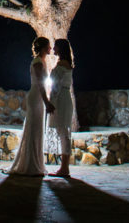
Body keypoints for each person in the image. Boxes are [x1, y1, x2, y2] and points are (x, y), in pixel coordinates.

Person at [8, 36, 55, 175]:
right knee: (34, 129)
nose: (50, 48)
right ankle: (30, 164)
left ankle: (35, 163)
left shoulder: (42, 61)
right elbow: (40, 83)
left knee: (37, 130)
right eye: (48, 46)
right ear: (43, 47)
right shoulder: (37, 62)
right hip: (36, 98)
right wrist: (46, 102)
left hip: (39, 97)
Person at [46, 38, 76, 177]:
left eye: (55, 46)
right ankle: (64, 167)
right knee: (63, 132)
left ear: (61, 48)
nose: (53, 49)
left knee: (63, 132)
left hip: (61, 99)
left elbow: (55, 85)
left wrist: (51, 102)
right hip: (65, 97)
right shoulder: (67, 63)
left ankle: (64, 168)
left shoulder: (62, 65)